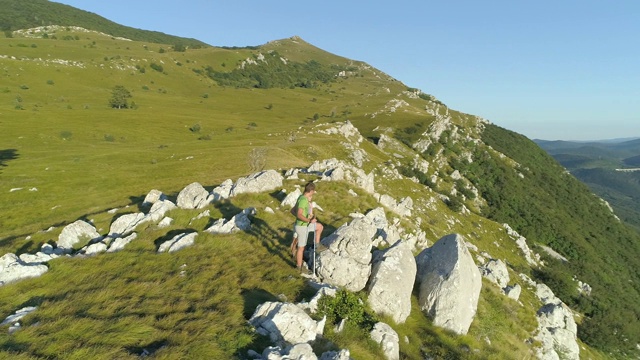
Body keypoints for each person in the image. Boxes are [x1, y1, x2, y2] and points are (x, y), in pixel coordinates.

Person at [292, 181, 327, 274]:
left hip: (304, 224)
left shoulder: (301, 197)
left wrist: (307, 217)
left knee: (319, 227)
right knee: (301, 248)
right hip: (302, 227)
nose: (313, 193)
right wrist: (309, 220)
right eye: (313, 191)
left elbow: (292, 211)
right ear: (311, 191)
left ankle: (317, 245)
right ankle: (299, 268)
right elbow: (299, 214)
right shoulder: (303, 200)